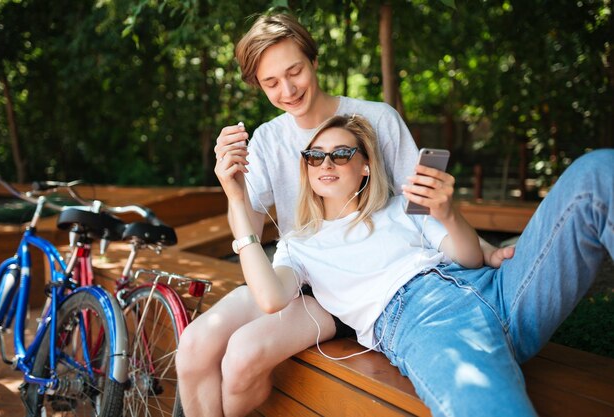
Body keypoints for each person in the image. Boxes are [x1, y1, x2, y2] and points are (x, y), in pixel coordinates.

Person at [176, 12, 512, 417]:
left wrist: (483, 248)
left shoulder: (376, 118)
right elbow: (246, 225)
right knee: (194, 345)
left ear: (314, 62)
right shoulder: (266, 140)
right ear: (257, 86)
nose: (287, 89)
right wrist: (230, 184)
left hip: (351, 285)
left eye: (294, 71)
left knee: (242, 356)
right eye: (270, 83)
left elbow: (423, 206)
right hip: (295, 268)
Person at [213, 113, 614, 417]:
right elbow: (268, 297)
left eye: (341, 153)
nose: (326, 163)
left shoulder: (400, 210)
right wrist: (236, 200)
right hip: (424, 323)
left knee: (595, 174)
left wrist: (446, 212)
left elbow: (470, 257)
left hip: (500, 288)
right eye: (315, 156)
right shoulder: (300, 245)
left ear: (365, 166)